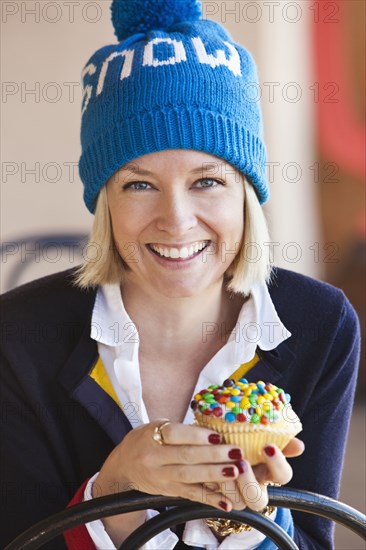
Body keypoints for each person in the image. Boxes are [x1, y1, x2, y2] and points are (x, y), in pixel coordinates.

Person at [1, 1, 360, 549]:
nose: (175, 220)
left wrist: (249, 523)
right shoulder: (19, 336)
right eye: (138, 184)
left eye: (207, 181)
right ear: (105, 203)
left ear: (246, 194)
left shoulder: (321, 324)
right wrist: (114, 491)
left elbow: (312, 541)